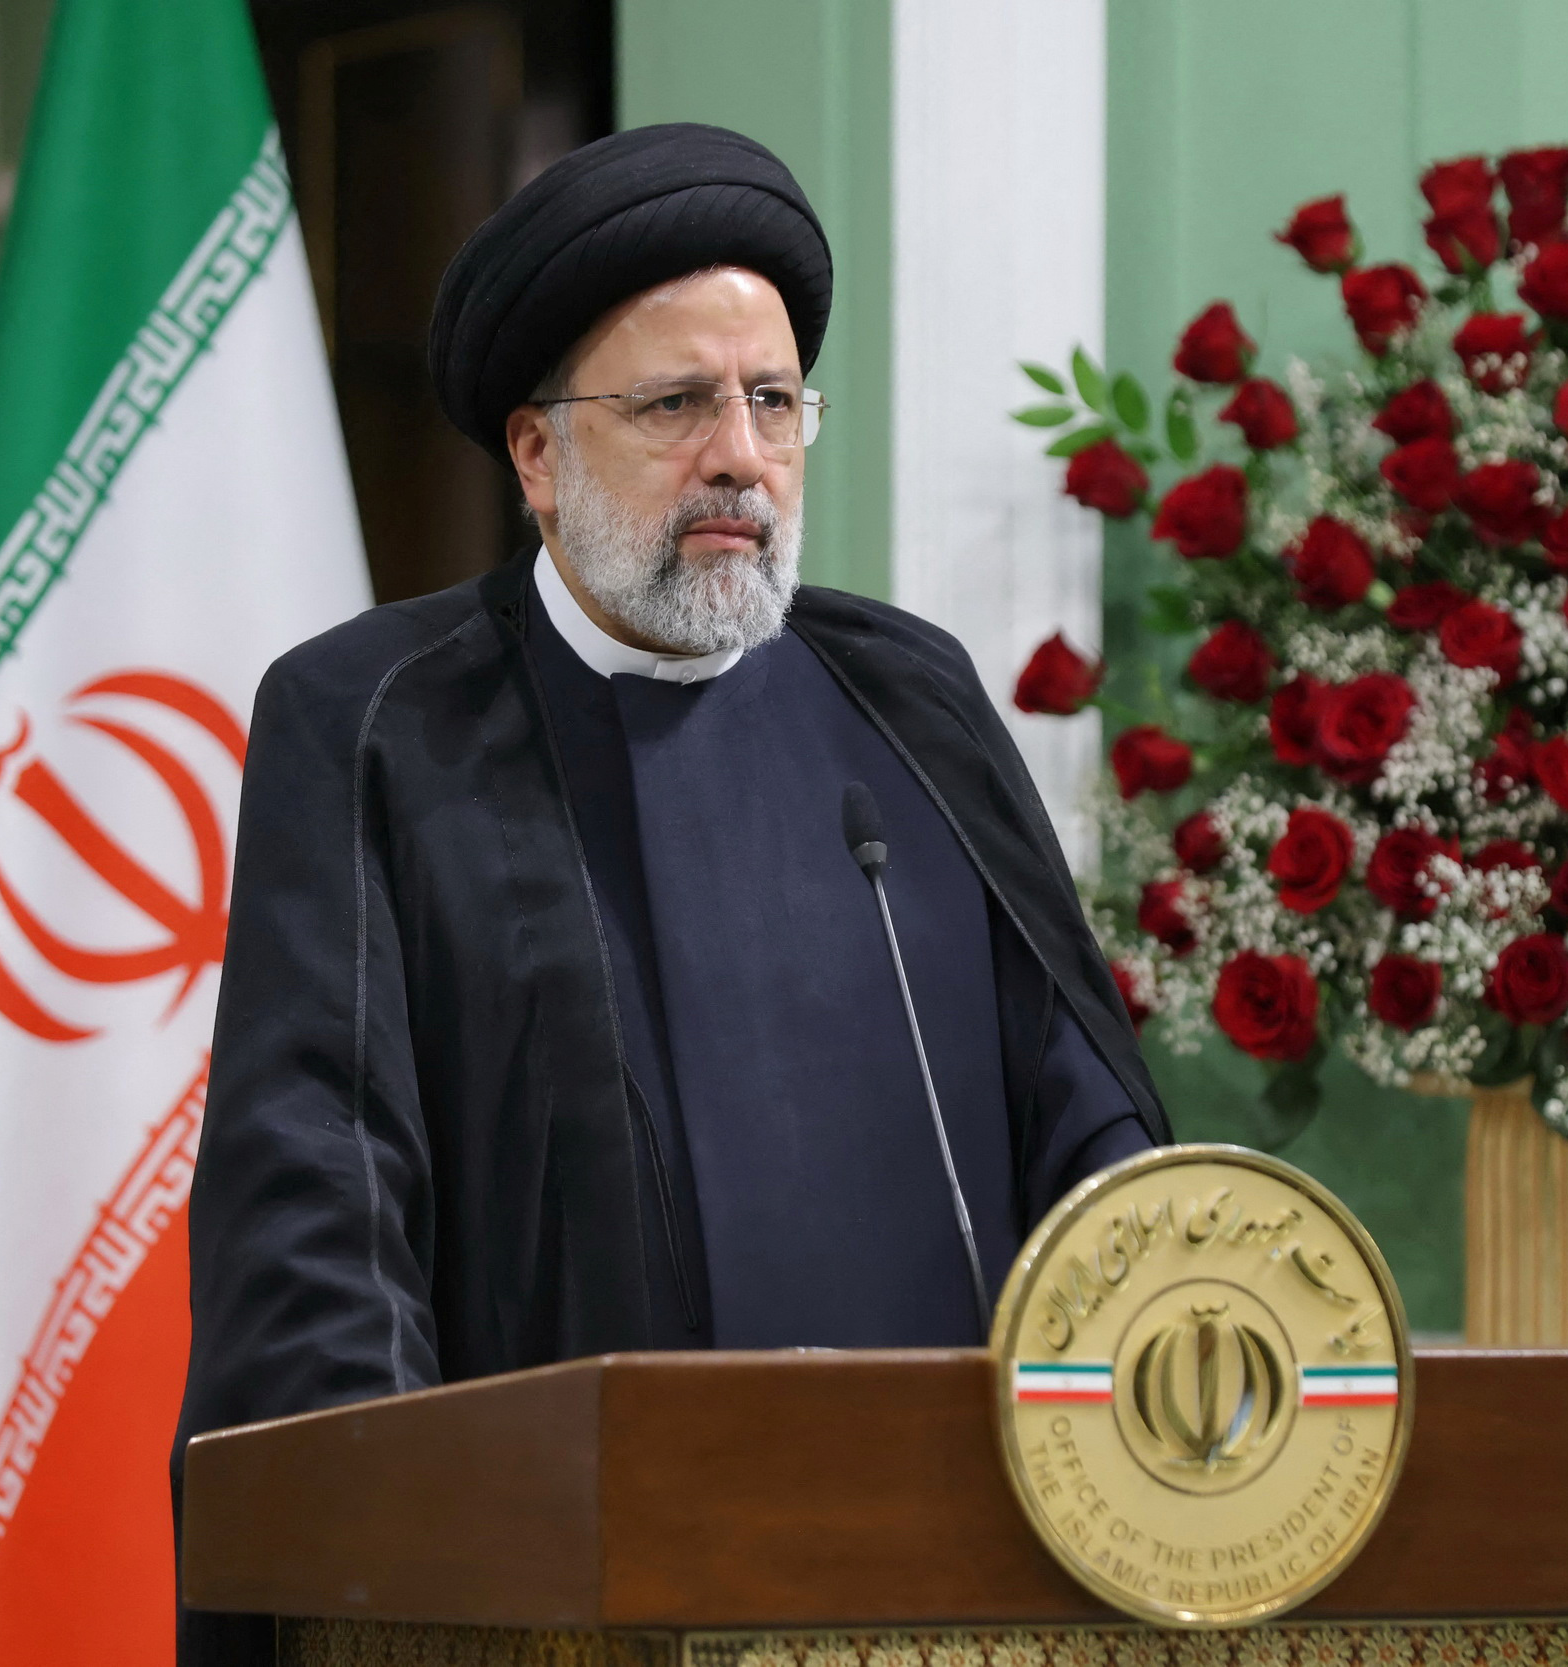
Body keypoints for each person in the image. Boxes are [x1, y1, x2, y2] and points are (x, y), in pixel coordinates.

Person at [171, 123, 1167, 1661]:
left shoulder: (907, 691)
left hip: (969, 1589)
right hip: (557, 1600)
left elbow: (1084, 1106)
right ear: (536, 453)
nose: (741, 458)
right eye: (676, 404)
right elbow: (322, 1193)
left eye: (773, 402)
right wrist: (386, 1553)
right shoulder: (378, 718)